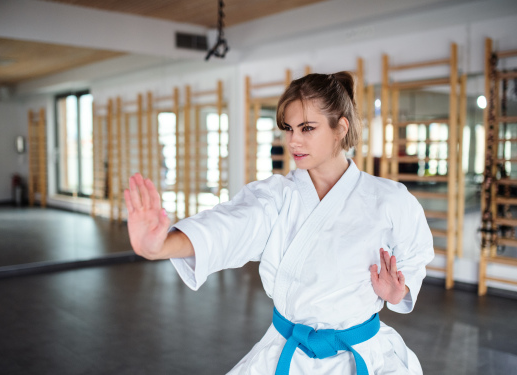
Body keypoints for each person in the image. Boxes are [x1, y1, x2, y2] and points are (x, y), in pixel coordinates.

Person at [124, 72, 434, 374]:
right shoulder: (276, 196)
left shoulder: (390, 199)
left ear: (340, 128)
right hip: (289, 353)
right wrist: (160, 246)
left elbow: (416, 255)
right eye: (288, 128)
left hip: (365, 354)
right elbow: (229, 225)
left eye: (307, 128)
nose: (293, 140)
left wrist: (398, 292)